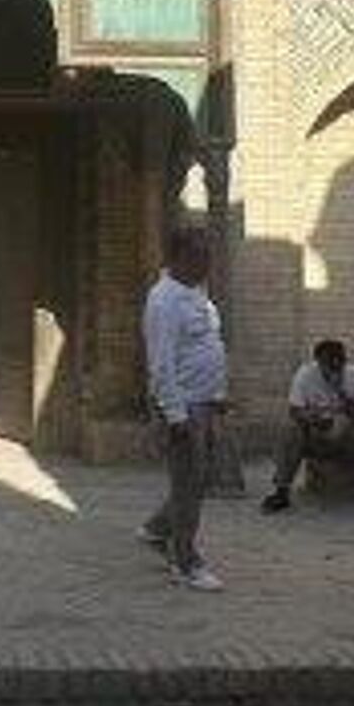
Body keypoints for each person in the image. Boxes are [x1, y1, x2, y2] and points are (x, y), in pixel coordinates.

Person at [138, 226, 228, 593]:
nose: (206, 264)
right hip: (184, 406)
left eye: (208, 256)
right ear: (177, 258)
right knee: (189, 483)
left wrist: (218, 395)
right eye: (198, 257)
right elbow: (161, 364)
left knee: (198, 478)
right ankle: (185, 561)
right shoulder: (164, 301)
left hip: (204, 402)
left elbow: (207, 345)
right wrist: (175, 416)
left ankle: (158, 529)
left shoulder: (197, 294)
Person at [261, 338, 354, 523]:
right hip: (316, 434)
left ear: (345, 360)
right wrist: (314, 420)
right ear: (318, 362)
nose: (334, 367)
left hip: (347, 437)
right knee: (290, 429)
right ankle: (281, 492)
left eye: (339, 363)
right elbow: (295, 410)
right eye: (329, 363)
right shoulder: (306, 375)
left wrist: (342, 395)